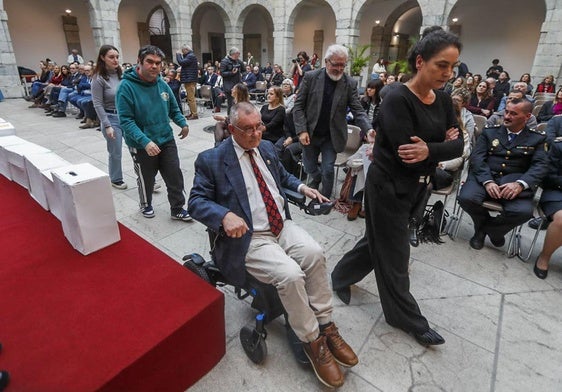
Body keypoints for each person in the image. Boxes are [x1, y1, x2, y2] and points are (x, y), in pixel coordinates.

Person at [188, 101, 357, 388]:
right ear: (231, 130)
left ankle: (327, 325)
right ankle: (312, 341)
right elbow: (195, 202)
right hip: (250, 237)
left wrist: (303, 187)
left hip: (281, 226)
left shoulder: (266, 148)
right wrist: (224, 215)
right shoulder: (212, 160)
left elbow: (281, 177)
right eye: (248, 129)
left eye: (259, 126)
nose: (256, 133)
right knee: (290, 275)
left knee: (315, 253)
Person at [331, 26, 464, 347]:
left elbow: (459, 145)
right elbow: (408, 154)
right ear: (420, 61)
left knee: (376, 241)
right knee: (396, 253)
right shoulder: (396, 98)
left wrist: (431, 149)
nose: (448, 73)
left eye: (452, 66)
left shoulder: (444, 100)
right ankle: (408, 318)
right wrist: (440, 146)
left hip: (419, 188)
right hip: (387, 187)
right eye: (441, 65)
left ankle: (339, 277)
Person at [458, 98, 549, 250]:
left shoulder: (537, 139)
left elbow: (540, 166)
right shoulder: (490, 132)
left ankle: (490, 231)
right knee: (466, 198)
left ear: (527, 117)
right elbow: (477, 158)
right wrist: (487, 181)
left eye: (513, 114)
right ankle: (486, 229)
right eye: (506, 112)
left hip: (513, 183)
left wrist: (520, 184)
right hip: (485, 178)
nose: (507, 116)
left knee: (524, 212)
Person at [116, 44, 192, 221]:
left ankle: (177, 208)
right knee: (146, 179)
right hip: (142, 144)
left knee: (174, 175)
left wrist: (182, 123)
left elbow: (173, 108)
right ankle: (146, 204)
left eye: (158, 63)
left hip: (165, 138)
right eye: (150, 62)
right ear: (139, 62)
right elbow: (126, 121)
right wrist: (145, 141)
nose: (154, 66)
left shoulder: (162, 84)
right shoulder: (126, 87)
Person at [293, 44, 373, 197]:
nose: (339, 69)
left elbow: (358, 110)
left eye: (343, 65)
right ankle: (316, 179)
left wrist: (368, 129)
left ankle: (326, 197)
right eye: (335, 64)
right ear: (326, 61)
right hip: (310, 132)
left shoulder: (349, 83)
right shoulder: (311, 77)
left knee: (328, 168)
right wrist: (302, 130)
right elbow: (298, 107)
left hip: (332, 135)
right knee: (309, 166)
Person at [91, 44, 127, 190]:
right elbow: (97, 104)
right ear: (102, 58)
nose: (115, 60)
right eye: (111, 57)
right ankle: (116, 178)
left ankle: (145, 177)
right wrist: (107, 125)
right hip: (111, 118)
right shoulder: (98, 78)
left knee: (137, 148)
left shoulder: (122, 74)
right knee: (115, 152)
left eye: (117, 57)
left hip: (126, 116)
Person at [533, 137, 562, 279]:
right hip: (557, 193)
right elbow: (546, 177)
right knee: (561, 220)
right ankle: (544, 257)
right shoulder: (558, 146)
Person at [176, 45, 199, 120]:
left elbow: (181, 62)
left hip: (190, 80)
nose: (182, 52)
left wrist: (178, 54)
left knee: (191, 98)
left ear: (186, 50)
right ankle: (192, 113)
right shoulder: (189, 56)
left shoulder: (191, 56)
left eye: (183, 51)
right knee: (189, 98)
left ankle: (194, 114)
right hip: (189, 79)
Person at [220, 47, 244, 114]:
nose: (239, 55)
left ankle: (237, 118)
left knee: (238, 103)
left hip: (237, 85)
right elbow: (222, 73)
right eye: (238, 54)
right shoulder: (224, 61)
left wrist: (242, 75)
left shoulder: (238, 61)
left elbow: (244, 70)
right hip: (229, 86)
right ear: (234, 54)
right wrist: (231, 73)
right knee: (231, 104)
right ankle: (230, 119)